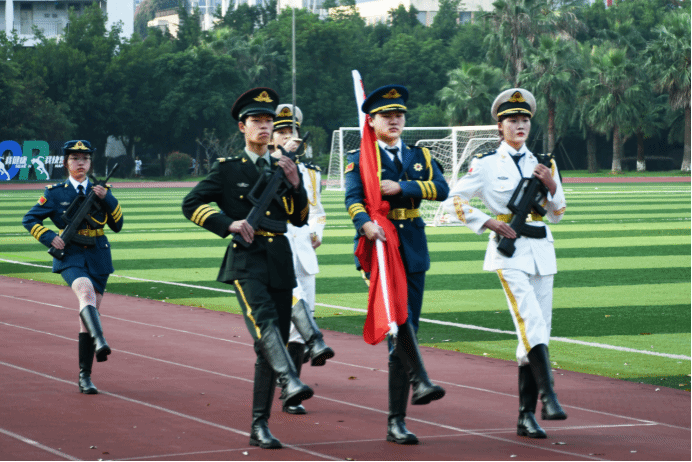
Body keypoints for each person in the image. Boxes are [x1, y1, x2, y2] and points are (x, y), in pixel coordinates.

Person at [182, 88, 320, 450]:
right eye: (256, 120)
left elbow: (300, 218)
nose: (264, 126)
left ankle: (260, 425)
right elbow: (191, 203)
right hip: (246, 258)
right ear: (242, 127)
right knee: (265, 324)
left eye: (268, 120)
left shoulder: (282, 166)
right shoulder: (228, 169)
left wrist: (295, 185)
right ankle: (290, 381)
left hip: (279, 258)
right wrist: (227, 223)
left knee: (270, 345)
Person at [441, 88, 568, 439]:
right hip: (508, 251)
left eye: (525, 119)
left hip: (541, 251)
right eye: (513, 120)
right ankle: (549, 396)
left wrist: (551, 184)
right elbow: (452, 201)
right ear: (500, 126)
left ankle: (526, 416)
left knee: (537, 330)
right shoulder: (484, 163)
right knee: (530, 321)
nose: (520, 125)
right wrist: (487, 222)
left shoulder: (542, 162)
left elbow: (557, 213)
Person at [344, 85, 449, 445]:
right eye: (386, 116)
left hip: (413, 248)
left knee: (407, 328)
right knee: (397, 322)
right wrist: (365, 224)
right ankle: (407, 402)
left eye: (399, 115)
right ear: (371, 122)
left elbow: (441, 189)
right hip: (380, 246)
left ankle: (399, 417)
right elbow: (353, 199)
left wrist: (402, 187)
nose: (394, 120)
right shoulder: (361, 157)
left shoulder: (420, 154)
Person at [22, 140, 124, 394]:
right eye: (75, 158)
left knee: (89, 314)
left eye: (85, 159)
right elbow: (30, 218)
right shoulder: (56, 193)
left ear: (90, 163)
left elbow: (118, 225)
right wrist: (49, 237)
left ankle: (84, 376)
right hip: (70, 254)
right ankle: (100, 340)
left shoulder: (102, 190)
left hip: (98, 254)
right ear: (66, 163)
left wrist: (108, 198)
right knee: (86, 293)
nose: (81, 163)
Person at [270, 103, 334, 415]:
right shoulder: (264, 167)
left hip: (304, 255)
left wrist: (316, 232)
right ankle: (284, 374)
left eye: (291, 131)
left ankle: (291, 390)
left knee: (300, 322)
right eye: (281, 132)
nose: (287, 137)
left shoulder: (310, 173)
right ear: (272, 138)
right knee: (283, 319)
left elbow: (317, 211)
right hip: (274, 250)